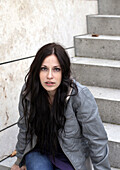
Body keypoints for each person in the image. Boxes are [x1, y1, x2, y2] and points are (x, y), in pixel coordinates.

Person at [11, 43, 111, 170]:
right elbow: (25, 128)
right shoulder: (29, 91)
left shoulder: (79, 95)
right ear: (37, 70)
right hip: (39, 151)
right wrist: (19, 160)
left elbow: (96, 138)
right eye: (44, 68)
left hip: (70, 156)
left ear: (64, 71)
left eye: (56, 69)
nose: (50, 76)